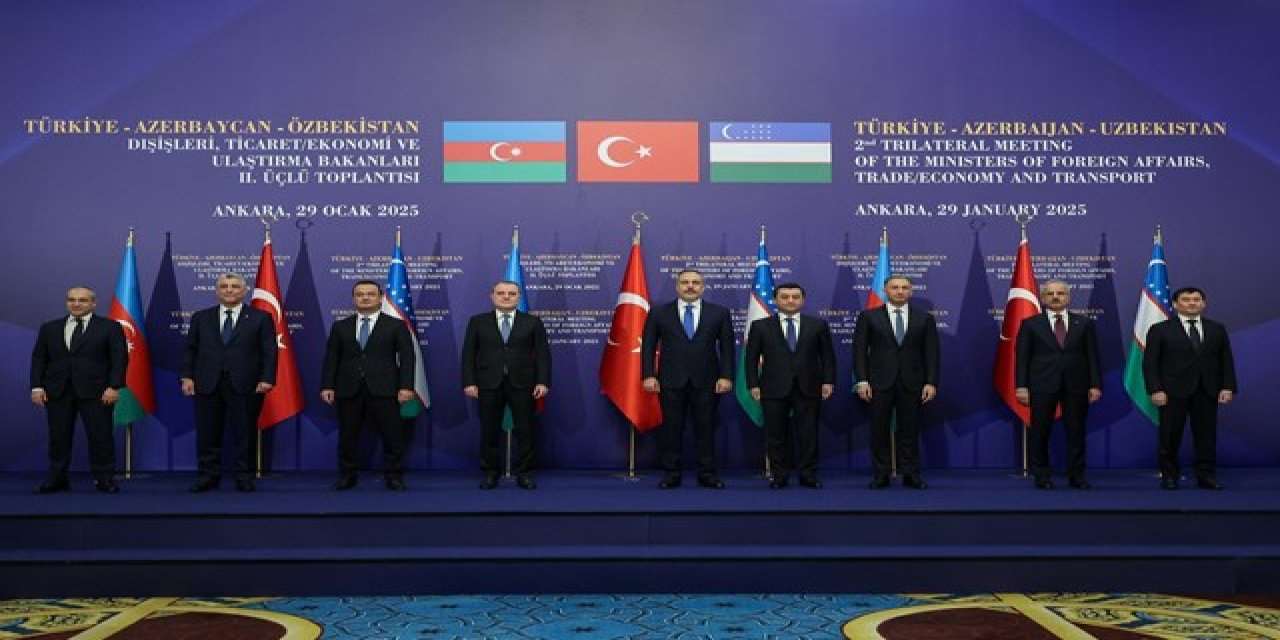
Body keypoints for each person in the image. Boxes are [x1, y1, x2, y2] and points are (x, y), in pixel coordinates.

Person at [182, 272, 276, 493]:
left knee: (244, 433)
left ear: (244, 291)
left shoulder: (260, 317)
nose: (229, 290)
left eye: (234, 286)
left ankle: (244, 476)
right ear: (217, 291)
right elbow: (190, 350)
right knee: (207, 433)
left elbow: (269, 351)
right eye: (224, 286)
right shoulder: (201, 318)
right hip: (207, 382)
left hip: (246, 384)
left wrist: (266, 378)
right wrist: (187, 376)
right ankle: (208, 476)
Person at [641, 269, 735, 489]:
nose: (690, 286)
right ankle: (671, 474)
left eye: (695, 282)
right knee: (671, 430)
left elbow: (727, 348)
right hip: (670, 380)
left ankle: (707, 474)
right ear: (677, 286)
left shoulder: (719, 313)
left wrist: (726, 376)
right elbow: (648, 346)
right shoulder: (659, 313)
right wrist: (648, 375)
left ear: (703, 287)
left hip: (708, 381)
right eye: (685, 282)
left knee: (706, 429)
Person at [29, 286, 127, 494]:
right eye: (71, 299)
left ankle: (104, 479)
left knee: (100, 437)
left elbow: (119, 359)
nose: (76, 303)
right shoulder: (49, 328)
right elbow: (39, 358)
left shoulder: (110, 327)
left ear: (93, 303)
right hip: (57, 391)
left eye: (82, 300)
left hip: (98, 392)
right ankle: (57, 478)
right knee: (58, 437)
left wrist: (114, 386)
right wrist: (37, 387)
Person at [321, 280, 417, 491]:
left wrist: (406, 386)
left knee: (392, 435)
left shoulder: (396, 325)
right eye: (360, 294)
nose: (365, 297)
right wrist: (328, 385)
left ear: (380, 297)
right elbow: (332, 358)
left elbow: (408, 358)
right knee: (348, 435)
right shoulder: (340, 326)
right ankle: (347, 475)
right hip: (348, 388)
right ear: (354, 298)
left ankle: (394, 475)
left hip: (386, 388)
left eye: (370, 294)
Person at [1143, 286, 1236, 490]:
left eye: (1196, 299)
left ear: (1204, 304)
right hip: (1171, 392)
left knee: (1206, 436)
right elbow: (1150, 363)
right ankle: (1169, 476)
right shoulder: (1160, 329)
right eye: (1186, 299)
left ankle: (1206, 476)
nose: (1192, 303)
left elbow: (1226, 360)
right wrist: (1155, 389)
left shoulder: (1217, 329)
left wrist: (1228, 387)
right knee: (1170, 436)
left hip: (1207, 390)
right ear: (1175, 305)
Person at [461, 281, 551, 490]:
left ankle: (525, 474)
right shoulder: (477, 322)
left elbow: (542, 355)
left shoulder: (533, 322)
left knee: (525, 431)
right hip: (488, 384)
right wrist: (469, 381)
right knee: (489, 431)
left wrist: (542, 381)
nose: (506, 297)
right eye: (501, 293)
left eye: (511, 293)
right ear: (492, 296)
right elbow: (468, 354)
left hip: (523, 384)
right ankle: (490, 473)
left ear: (519, 297)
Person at [745, 283, 836, 489]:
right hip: (772, 387)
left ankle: (808, 475)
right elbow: (751, 359)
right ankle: (779, 475)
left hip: (809, 386)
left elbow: (827, 357)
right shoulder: (760, 326)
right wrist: (753, 384)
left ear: (803, 300)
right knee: (776, 435)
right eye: (785, 297)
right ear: (776, 300)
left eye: (795, 297)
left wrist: (828, 381)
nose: (790, 300)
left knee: (808, 434)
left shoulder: (817, 325)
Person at [853, 274, 939, 489]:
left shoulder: (924, 318)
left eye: (904, 287)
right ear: (885, 290)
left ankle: (910, 474)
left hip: (913, 383)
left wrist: (931, 382)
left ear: (911, 291)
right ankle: (881, 474)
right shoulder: (869, 317)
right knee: (879, 430)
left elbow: (932, 354)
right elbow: (859, 352)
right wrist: (862, 380)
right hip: (878, 383)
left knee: (909, 430)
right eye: (895, 287)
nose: (900, 291)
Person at [1015, 280, 1102, 490]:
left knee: (1076, 432)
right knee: (1040, 432)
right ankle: (1042, 476)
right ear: (1043, 298)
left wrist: (1095, 384)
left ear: (1068, 298)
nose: (1055, 297)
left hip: (1076, 384)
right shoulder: (1031, 324)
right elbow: (1022, 358)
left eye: (1060, 293)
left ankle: (1077, 476)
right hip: (1042, 384)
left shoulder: (1084, 323)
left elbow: (1092, 356)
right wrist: (1021, 386)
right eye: (1051, 293)